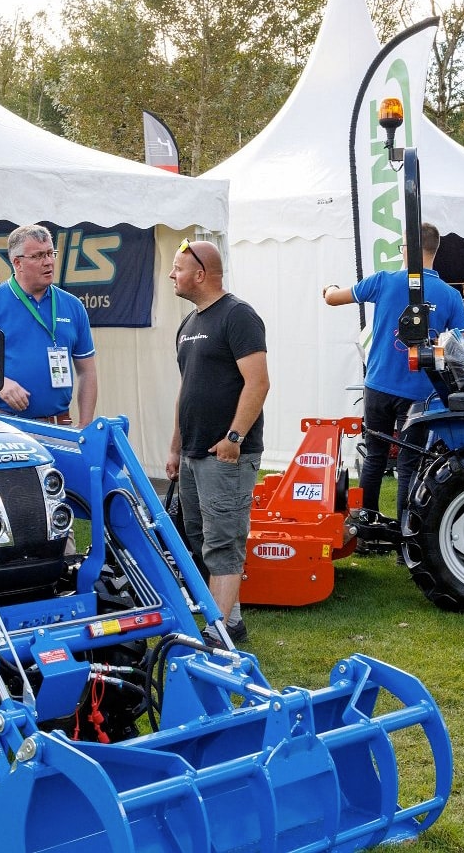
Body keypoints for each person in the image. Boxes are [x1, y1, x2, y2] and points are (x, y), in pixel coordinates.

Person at [322, 222, 464, 527]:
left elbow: (334, 299)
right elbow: (459, 345)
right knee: (409, 463)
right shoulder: (451, 296)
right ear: (434, 251)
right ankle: (405, 533)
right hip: (421, 390)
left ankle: (367, 525)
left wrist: (330, 288)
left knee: (374, 455)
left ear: (406, 249)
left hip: (379, 384)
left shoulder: (384, 281)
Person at [166, 239, 269, 646]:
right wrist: (175, 447)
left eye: (177, 268)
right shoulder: (188, 324)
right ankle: (234, 620)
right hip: (192, 452)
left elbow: (258, 382)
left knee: (223, 539)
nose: (172, 275)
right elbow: (185, 389)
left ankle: (218, 633)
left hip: (225, 453)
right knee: (199, 537)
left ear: (201, 274)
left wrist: (234, 438)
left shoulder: (238, 316)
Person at [0, 224, 97, 425]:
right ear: (17, 263)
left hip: (59, 424)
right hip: (6, 425)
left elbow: (87, 371)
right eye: (38, 256)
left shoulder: (72, 306)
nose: (48, 262)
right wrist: (0, 385)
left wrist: (85, 425)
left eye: (50, 253)